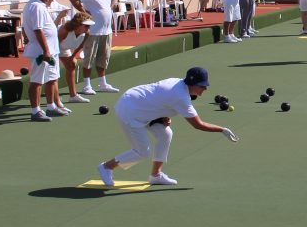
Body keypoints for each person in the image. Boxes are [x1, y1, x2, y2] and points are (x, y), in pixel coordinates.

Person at [96, 67, 238, 187]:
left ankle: (156, 175)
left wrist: (162, 116)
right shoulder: (180, 97)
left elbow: (158, 99)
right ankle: (106, 167)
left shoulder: (179, 84)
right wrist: (222, 129)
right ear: (192, 83)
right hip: (129, 111)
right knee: (143, 152)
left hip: (140, 105)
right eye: (202, 85)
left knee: (166, 134)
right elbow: (198, 125)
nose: (205, 89)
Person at [22, 0, 65, 122]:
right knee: (37, 80)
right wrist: (46, 50)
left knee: (52, 78)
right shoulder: (35, 7)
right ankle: (35, 111)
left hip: (51, 49)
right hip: (42, 51)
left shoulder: (39, 6)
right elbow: (38, 29)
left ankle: (51, 106)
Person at [70, 0, 118, 94]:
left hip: (107, 30)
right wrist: (84, 13)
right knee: (89, 57)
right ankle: (86, 85)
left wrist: (111, 6)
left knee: (104, 57)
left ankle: (103, 83)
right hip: (93, 30)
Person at [59, 12, 95, 104]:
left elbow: (80, 46)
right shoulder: (64, 30)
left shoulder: (87, 33)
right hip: (52, 48)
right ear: (78, 24)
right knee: (51, 73)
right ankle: (53, 99)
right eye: (86, 26)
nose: (88, 28)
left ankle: (73, 96)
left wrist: (72, 56)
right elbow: (54, 44)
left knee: (72, 65)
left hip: (64, 48)